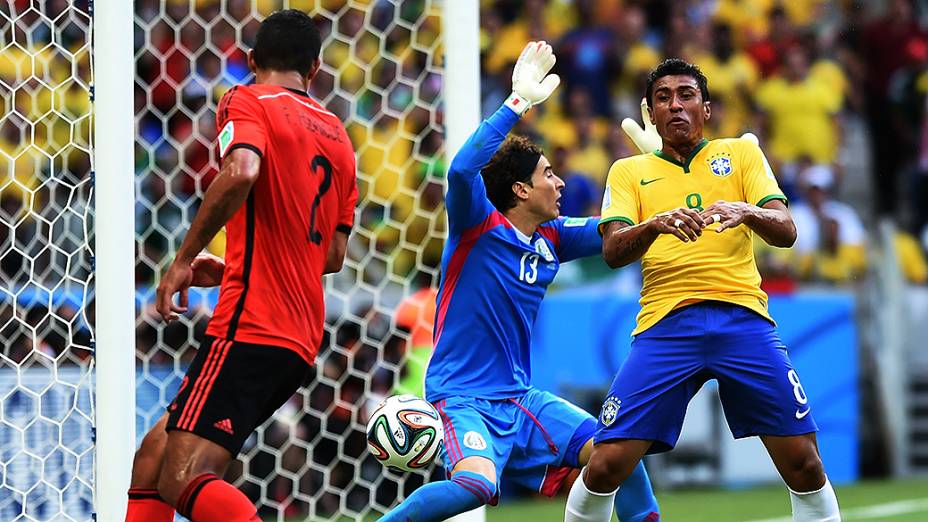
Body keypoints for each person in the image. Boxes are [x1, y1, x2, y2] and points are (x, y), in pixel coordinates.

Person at [379, 41, 659, 522]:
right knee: (476, 483)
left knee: (618, 455)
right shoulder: (477, 225)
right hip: (461, 396)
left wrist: (658, 171)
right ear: (521, 189)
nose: (561, 184)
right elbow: (463, 169)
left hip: (519, 398)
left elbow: (623, 231)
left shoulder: (553, 234)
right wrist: (517, 104)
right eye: (549, 175)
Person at [564, 58, 841, 522]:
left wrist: (747, 212)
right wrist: (655, 224)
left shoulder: (742, 155)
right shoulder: (628, 172)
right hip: (665, 325)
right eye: (663, 98)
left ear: (706, 108)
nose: (675, 105)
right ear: (651, 114)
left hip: (743, 319)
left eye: (686, 95)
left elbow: (787, 229)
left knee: (804, 462)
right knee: (605, 464)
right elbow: (612, 250)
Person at [125, 10, 357, 522]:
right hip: (298, 336)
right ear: (314, 69)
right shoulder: (340, 137)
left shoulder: (246, 98)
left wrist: (182, 260)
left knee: (182, 478)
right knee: (152, 460)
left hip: (250, 323)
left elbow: (243, 168)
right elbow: (333, 256)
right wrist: (235, 263)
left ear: (251, 61)